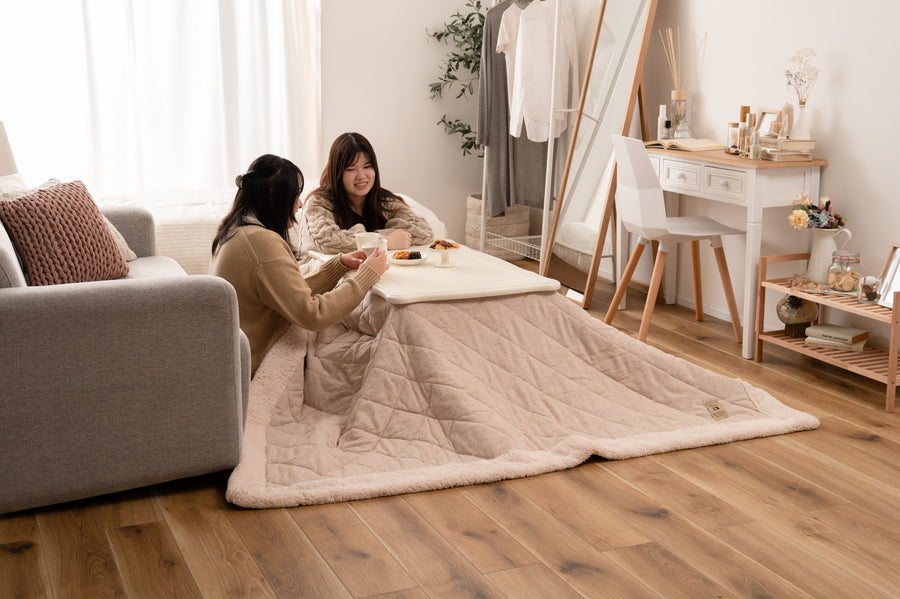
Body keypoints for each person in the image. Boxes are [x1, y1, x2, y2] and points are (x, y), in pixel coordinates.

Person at [210, 154, 389, 376]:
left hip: (235, 357)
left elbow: (285, 293)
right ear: (274, 196)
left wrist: (338, 265)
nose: (300, 204)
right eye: (295, 195)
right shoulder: (260, 242)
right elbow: (313, 314)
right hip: (254, 363)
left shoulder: (235, 231)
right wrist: (367, 275)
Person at [298, 132, 433, 263]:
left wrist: (374, 240)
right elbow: (328, 241)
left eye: (367, 166)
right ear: (337, 172)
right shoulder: (318, 203)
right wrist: (386, 241)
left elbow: (424, 232)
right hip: (324, 281)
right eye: (351, 169)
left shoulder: (384, 200)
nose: (361, 176)